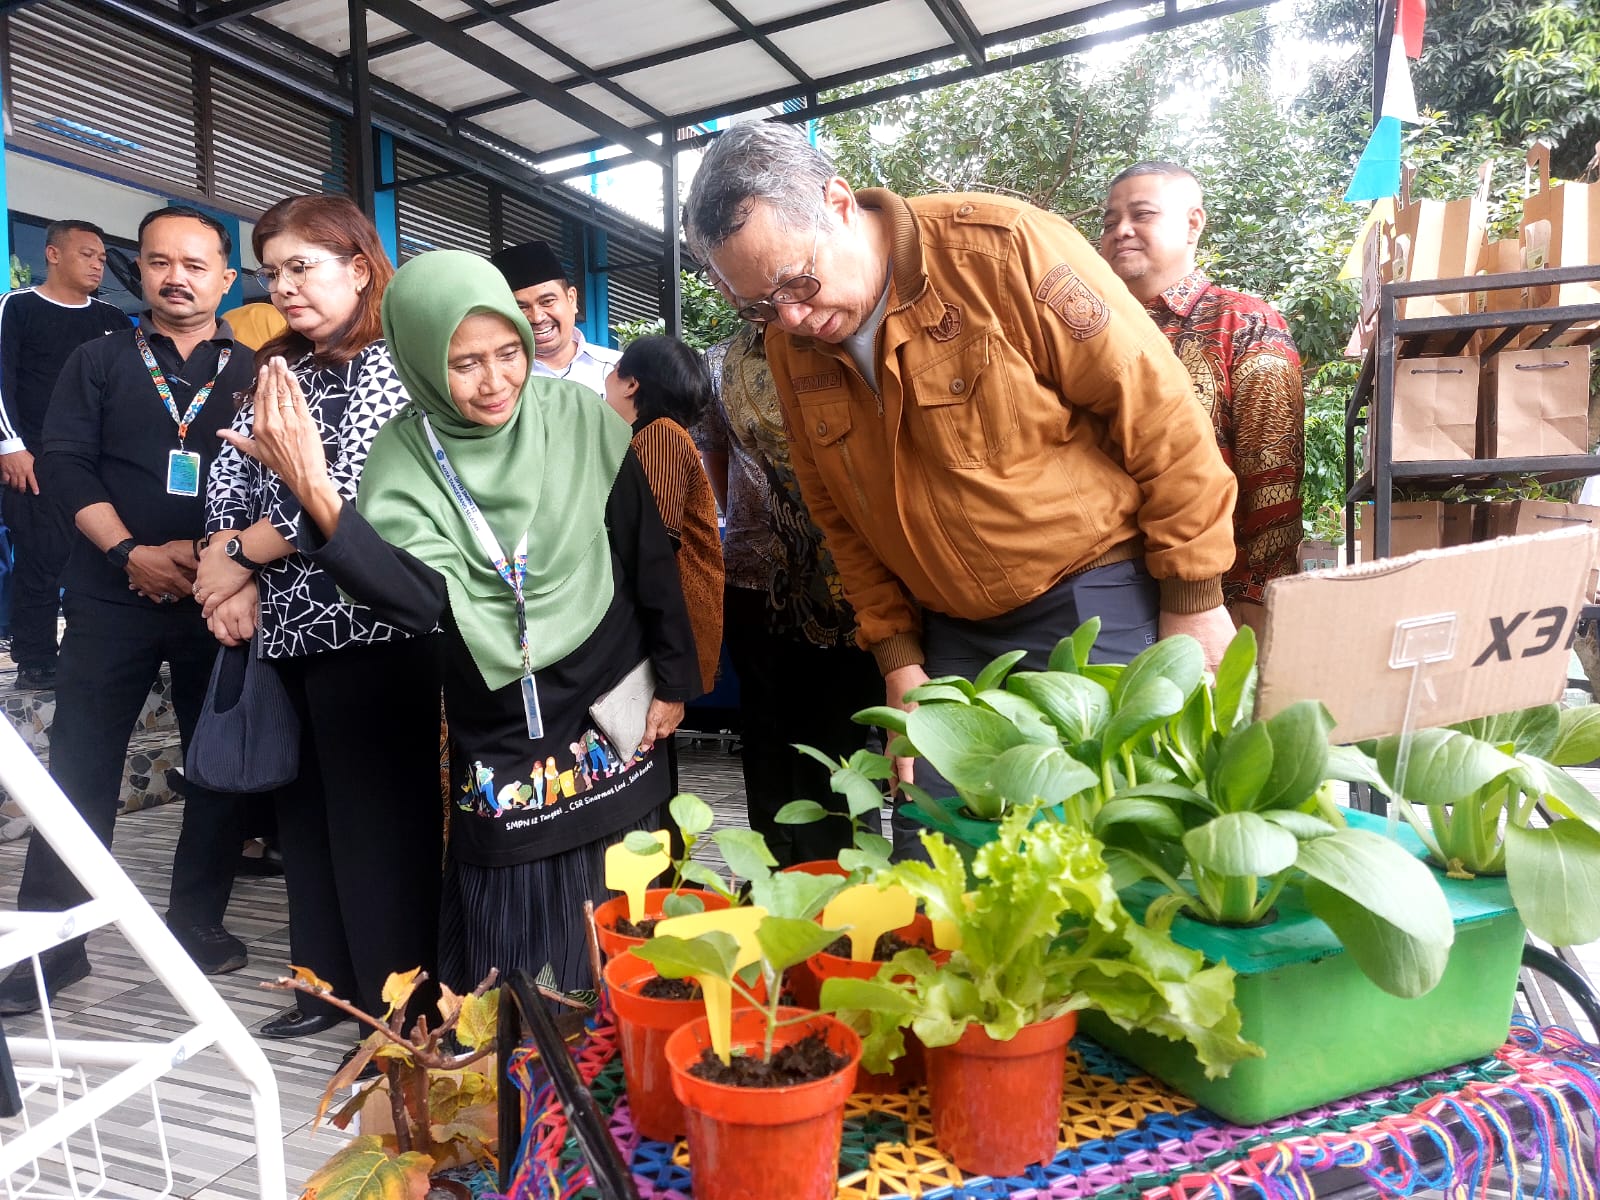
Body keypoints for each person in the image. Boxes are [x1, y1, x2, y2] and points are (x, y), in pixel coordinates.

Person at [683, 122, 1238, 856]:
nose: (789, 317)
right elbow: (838, 518)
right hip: (948, 635)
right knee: (939, 857)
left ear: (840, 203)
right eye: (759, 306)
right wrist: (898, 657)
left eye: (796, 281)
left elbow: (1162, 415)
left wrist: (1195, 601)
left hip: (1094, 603)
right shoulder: (796, 345)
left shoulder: (1004, 250)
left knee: (1106, 851)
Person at [222, 250, 697, 997]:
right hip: (502, 711)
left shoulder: (578, 418)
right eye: (464, 362)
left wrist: (674, 680)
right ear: (418, 360)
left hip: (612, 696)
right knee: (517, 909)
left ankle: (635, 1065)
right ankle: (527, 1082)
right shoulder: (405, 457)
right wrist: (316, 491)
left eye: (508, 352)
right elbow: (414, 602)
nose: (495, 381)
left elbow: (646, 557)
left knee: (635, 891)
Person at [197, 194, 444, 1040]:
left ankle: (400, 1014)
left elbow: (350, 500)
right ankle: (324, 989)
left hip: (377, 628)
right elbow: (228, 479)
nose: (285, 286)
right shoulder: (276, 367)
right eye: (273, 271)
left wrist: (236, 559)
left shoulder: (403, 365)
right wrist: (222, 572)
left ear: (360, 267)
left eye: (302, 266)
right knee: (305, 824)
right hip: (290, 628)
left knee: (382, 827)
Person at [0, 206, 250, 1015]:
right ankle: (53, 944)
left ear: (225, 278)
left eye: (194, 263)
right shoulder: (97, 358)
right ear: (136, 271)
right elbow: (65, 465)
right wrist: (129, 554)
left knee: (215, 766)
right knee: (80, 766)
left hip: (222, 596)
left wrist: (218, 566)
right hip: (113, 594)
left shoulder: (255, 370)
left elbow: (276, 482)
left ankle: (196, 922)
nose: (175, 277)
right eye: (157, 262)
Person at [697, 318, 882, 866]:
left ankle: (844, 875)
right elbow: (718, 462)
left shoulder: (842, 341)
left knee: (840, 731)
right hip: (755, 575)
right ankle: (769, 870)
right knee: (766, 729)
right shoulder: (717, 362)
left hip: (849, 580)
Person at [1099, 162, 1305, 632]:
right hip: (1100, 601)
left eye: (1142, 214)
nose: (1121, 231)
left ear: (1193, 223)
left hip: (1213, 604)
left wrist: (1252, 599)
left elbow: (1273, 478)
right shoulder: (1088, 330)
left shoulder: (1244, 323)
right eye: (1110, 222)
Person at [0, 219, 131, 689]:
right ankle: (35, 660)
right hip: (32, 460)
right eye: (87, 254)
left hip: (97, 463)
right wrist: (9, 445)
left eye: (101, 257)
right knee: (42, 555)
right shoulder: (16, 307)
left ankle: (91, 652)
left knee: (101, 557)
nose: (98, 264)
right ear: (53, 254)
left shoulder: (112, 321)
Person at [603, 334, 723, 696]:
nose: (607, 379)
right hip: (664, 624)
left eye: (614, 370)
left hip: (667, 627)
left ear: (631, 383)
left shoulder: (660, 436)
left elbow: (653, 544)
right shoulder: (648, 435)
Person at [488, 240, 620, 395]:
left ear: (571, 299)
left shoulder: (619, 369)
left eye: (547, 301)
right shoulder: (498, 383)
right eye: (521, 307)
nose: (537, 317)